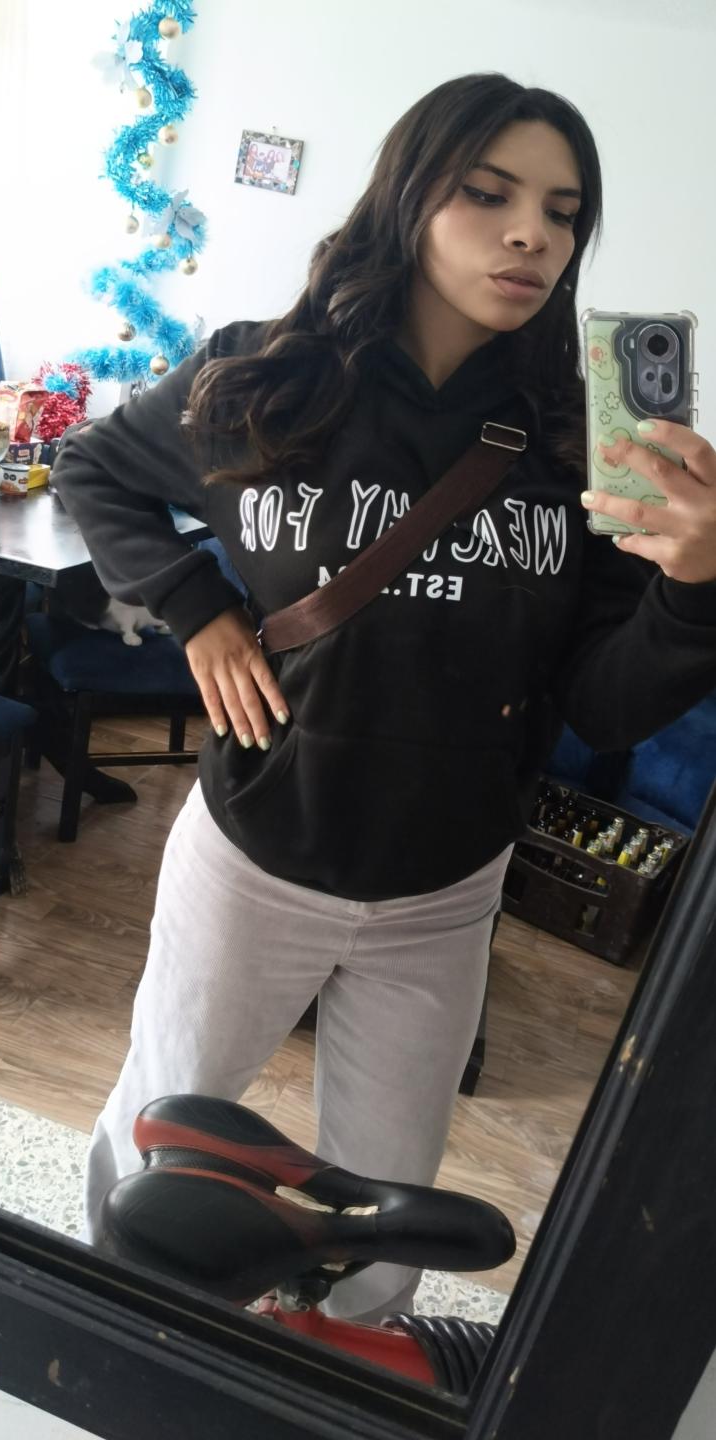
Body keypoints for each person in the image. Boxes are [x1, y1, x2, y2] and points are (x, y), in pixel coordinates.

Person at [53, 73, 716, 1324]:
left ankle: (328, 1373)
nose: (532, 235)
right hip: (256, 852)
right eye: (490, 194)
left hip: (443, 891)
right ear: (411, 198)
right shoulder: (263, 377)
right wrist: (195, 607)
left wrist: (698, 590)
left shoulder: (580, 441)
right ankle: (108, 1339)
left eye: (563, 212)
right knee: (158, 1149)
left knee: (384, 1231)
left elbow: (607, 705)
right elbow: (95, 467)